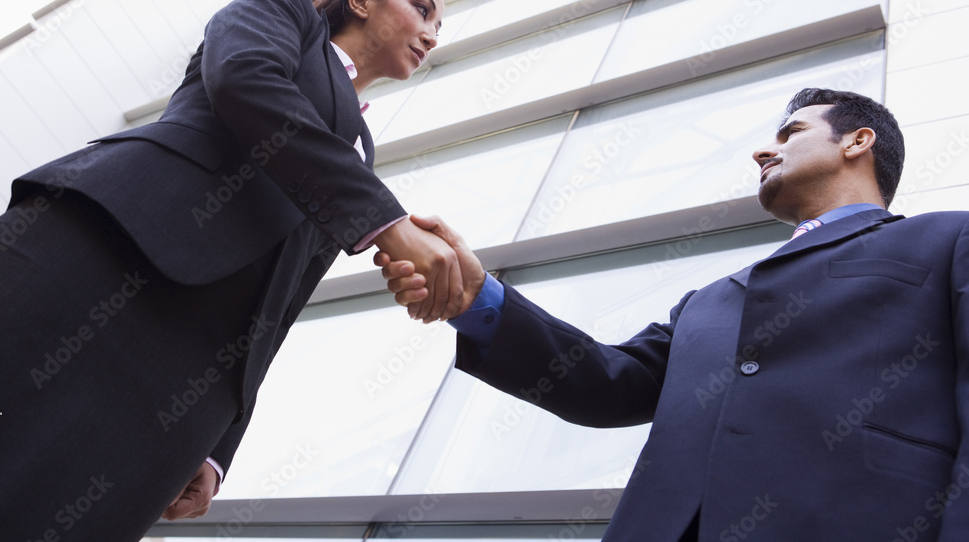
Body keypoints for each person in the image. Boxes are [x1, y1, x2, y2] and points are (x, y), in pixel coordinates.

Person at [0, 0, 467, 541]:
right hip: (107, 248)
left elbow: (283, 306)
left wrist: (217, 448)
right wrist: (389, 222)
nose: (432, 35)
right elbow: (245, 79)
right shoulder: (284, 7)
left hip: (186, 371)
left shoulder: (361, 153)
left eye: (439, 26)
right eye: (423, 9)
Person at [379, 89, 969, 541]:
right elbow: (607, 385)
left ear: (857, 141)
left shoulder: (948, 240)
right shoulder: (710, 301)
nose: (765, 149)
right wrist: (475, 299)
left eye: (792, 133)